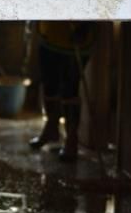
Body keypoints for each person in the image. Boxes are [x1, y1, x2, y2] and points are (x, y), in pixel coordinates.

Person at [28, 21, 95, 162]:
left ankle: (71, 139)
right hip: (49, 33)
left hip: (74, 37)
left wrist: (86, 24)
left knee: (70, 89)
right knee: (49, 85)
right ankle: (51, 128)